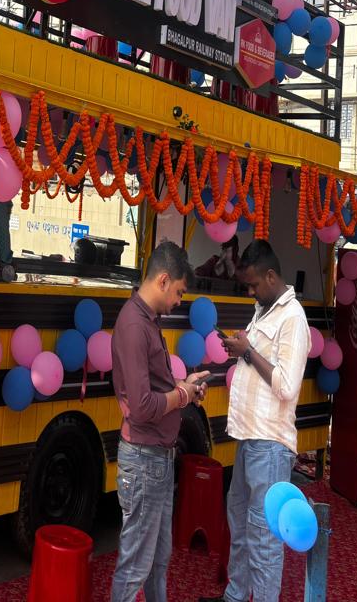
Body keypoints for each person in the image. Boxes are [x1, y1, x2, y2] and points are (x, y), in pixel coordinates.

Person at [201, 240, 310, 602]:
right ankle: (234, 596)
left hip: (270, 444)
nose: (250, 291)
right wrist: (243, 348)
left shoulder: (293, 318)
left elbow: (286, 385)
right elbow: (261, 361)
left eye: (252, 285)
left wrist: (248, 350)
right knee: (242, 525)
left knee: (263, 537)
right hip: (249, 438)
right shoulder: (264, 310)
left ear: (271, 275)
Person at [111, 241, 209, 602]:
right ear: (164, 280)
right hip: (143, 458)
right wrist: (182, 394)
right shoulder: (135, 325)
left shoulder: (147, 321)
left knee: (156, 560)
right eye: (180, 291)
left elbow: (154, 393)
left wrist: (184, 387)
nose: (180, 300)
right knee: (136, 564)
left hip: (156, 458)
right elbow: (141, 407)